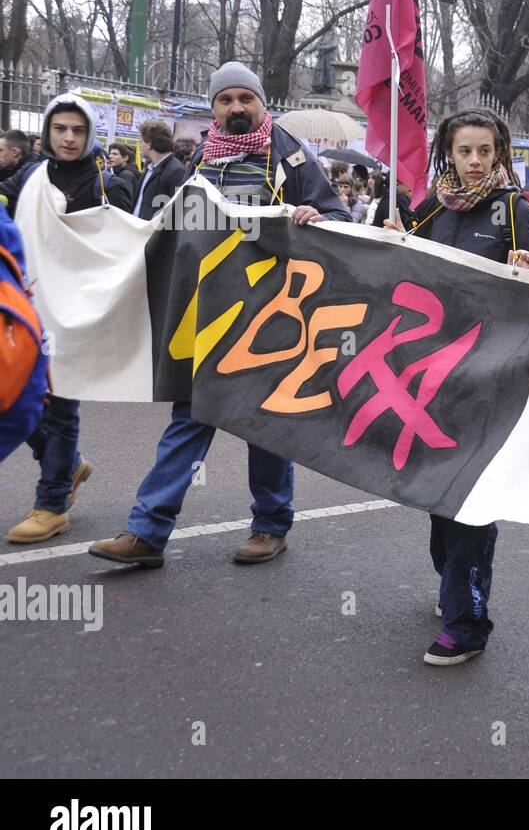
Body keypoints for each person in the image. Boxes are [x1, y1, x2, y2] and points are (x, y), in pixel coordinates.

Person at [87, 61, 349, 570]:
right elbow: (177, 231)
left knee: (265, 423)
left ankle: (271, 526)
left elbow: (336, 214)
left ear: (261, 104)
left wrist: (317, 217)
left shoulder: (289, 157)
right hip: (208, 317)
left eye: (244, 99)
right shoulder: (202, 159)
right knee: (190, 414)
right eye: (225, 100)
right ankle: (147, 531)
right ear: (213, 108)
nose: (236, 108)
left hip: (272, 318)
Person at [385, 108, 529, 667]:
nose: (477, 161)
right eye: (466, 152)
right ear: (448, 154)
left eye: (487, 151)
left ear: (500, 155)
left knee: (470, 501)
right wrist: (389, 244)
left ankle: (467, 622)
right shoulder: (429, 207)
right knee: (438, 496)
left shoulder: (516, 211)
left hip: (491, 384)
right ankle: (454, 586)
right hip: (431, 380)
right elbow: (401, 276)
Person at [4, 94, 133, 544]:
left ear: (90, 133)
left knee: (59, 405)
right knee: (16, 398)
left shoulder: (108, 184)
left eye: (78, 130)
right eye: (60, 129)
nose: (69, 138)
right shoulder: (32, 175)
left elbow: (118, 253)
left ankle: (53, 503)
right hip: (30, 305)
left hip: (77, 314)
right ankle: (71, 464)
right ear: (47, 132)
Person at [133, 121, 189, 220]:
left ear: (149, 144)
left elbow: (177, 211)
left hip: (153, 232)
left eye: (141, 141)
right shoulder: (150, 168)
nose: (140, 146)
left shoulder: (176, 171)